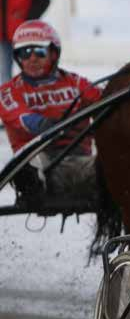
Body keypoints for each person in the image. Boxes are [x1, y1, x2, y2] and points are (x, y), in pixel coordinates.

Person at [0, 20, 102, 205]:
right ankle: (33, 191)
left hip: (77, 164)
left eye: (39, 52)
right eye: (25, 53)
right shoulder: (8, 91)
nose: (32, 59)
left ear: (54, 54)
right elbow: (21, 117)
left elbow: (104, 102)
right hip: (38, 165)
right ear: (17, 57)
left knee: (117, 163)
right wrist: (46, 125)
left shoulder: (76, 83)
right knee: (30, 163)